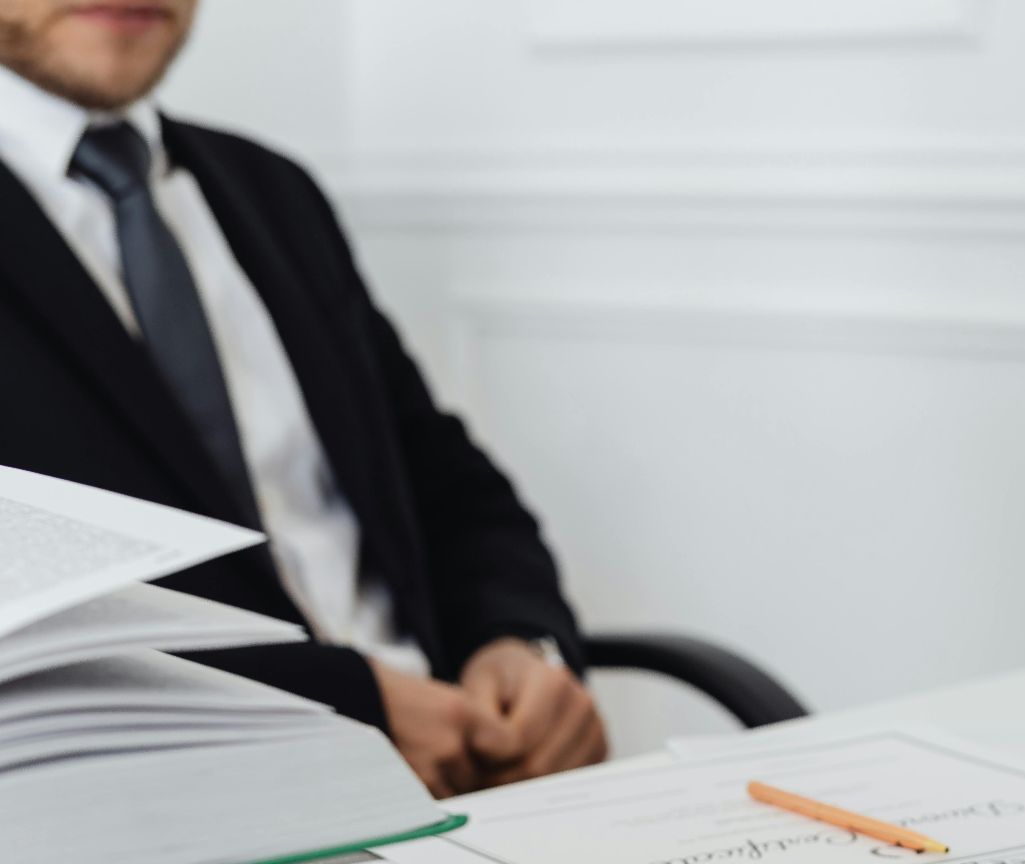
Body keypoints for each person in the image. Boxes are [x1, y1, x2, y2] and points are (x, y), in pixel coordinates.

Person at [0, 0, 607, 796]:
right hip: (168, 828)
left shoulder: (270, 192)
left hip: (465, 786)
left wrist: (519, 644)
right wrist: (351, 704)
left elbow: (443, 484)